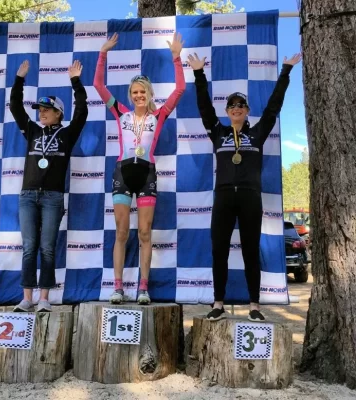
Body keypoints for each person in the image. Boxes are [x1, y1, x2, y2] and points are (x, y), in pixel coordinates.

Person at [187, 52, 302, 322]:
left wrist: (285, 72)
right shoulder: (218, 132)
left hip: (250, 198)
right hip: (224, 197)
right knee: (219, 250)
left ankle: (254, 305)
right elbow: (204, 107)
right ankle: (218, 303)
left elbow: (273, 108)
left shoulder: (257, 133)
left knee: (251, 250)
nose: (236, 108)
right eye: (232, 105)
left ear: (247, 111)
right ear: (227, 112)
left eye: (241, 105)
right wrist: (199, 74)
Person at [94, 32, 185, 305]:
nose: (138, 95)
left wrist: (176, 58)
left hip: (147, 174)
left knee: (145, 233)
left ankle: (143, 288)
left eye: (142, 91)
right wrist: (102, 53)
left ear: (149, 93)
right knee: (121, 232)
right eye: (135, 92)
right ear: (130, 95)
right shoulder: (120, 112)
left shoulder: (159, 115)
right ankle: (118, 287)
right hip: (122, 173)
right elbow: (98, 85)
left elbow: (180, 89)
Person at [10, 59, 88, 312]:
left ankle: (44, 298)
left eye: (47, 109)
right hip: (27, 196)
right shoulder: (32, 131)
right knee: (29, 247)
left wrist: (75, 81)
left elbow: (82, 111)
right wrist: (19, 80)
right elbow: (15, 107)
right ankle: (26, 298)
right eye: (40, 109)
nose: (41, 112)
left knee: (47, 248)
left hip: (53, 197)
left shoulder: (66, 134)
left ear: (58, 113)